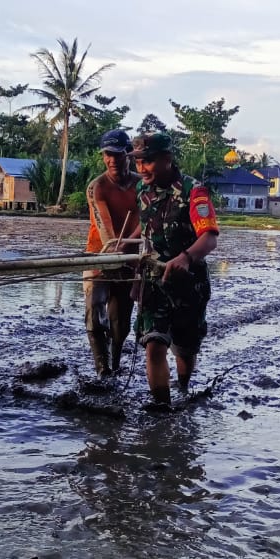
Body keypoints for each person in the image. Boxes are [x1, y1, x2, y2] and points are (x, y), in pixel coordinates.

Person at [130, 131, 219, 405]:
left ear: (167, 159)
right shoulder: (142, 189)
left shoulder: (194, 191)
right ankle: (161, 408)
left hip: (187, 283)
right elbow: (146, 226)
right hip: (152, 281)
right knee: (154, 345)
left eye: (148, 161)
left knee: (185, 350)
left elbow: (209, 237)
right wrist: (124, 244)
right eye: (138, 162)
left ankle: (182, 388)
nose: (141, 168)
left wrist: (186, 257)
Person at [83, 129, 140, 376]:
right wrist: (113, 249)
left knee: (120, 323)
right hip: (99, 255)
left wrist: (125, 248)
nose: (113, 160)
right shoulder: (97, 187)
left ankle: (116, 362)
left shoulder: (141, 185)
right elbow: (104, 225)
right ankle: (102, 369)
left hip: (130, 259)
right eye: (108, 155)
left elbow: (145, 220)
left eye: (118, 154)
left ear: (128, 154)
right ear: (103, 156)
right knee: (95, 316)